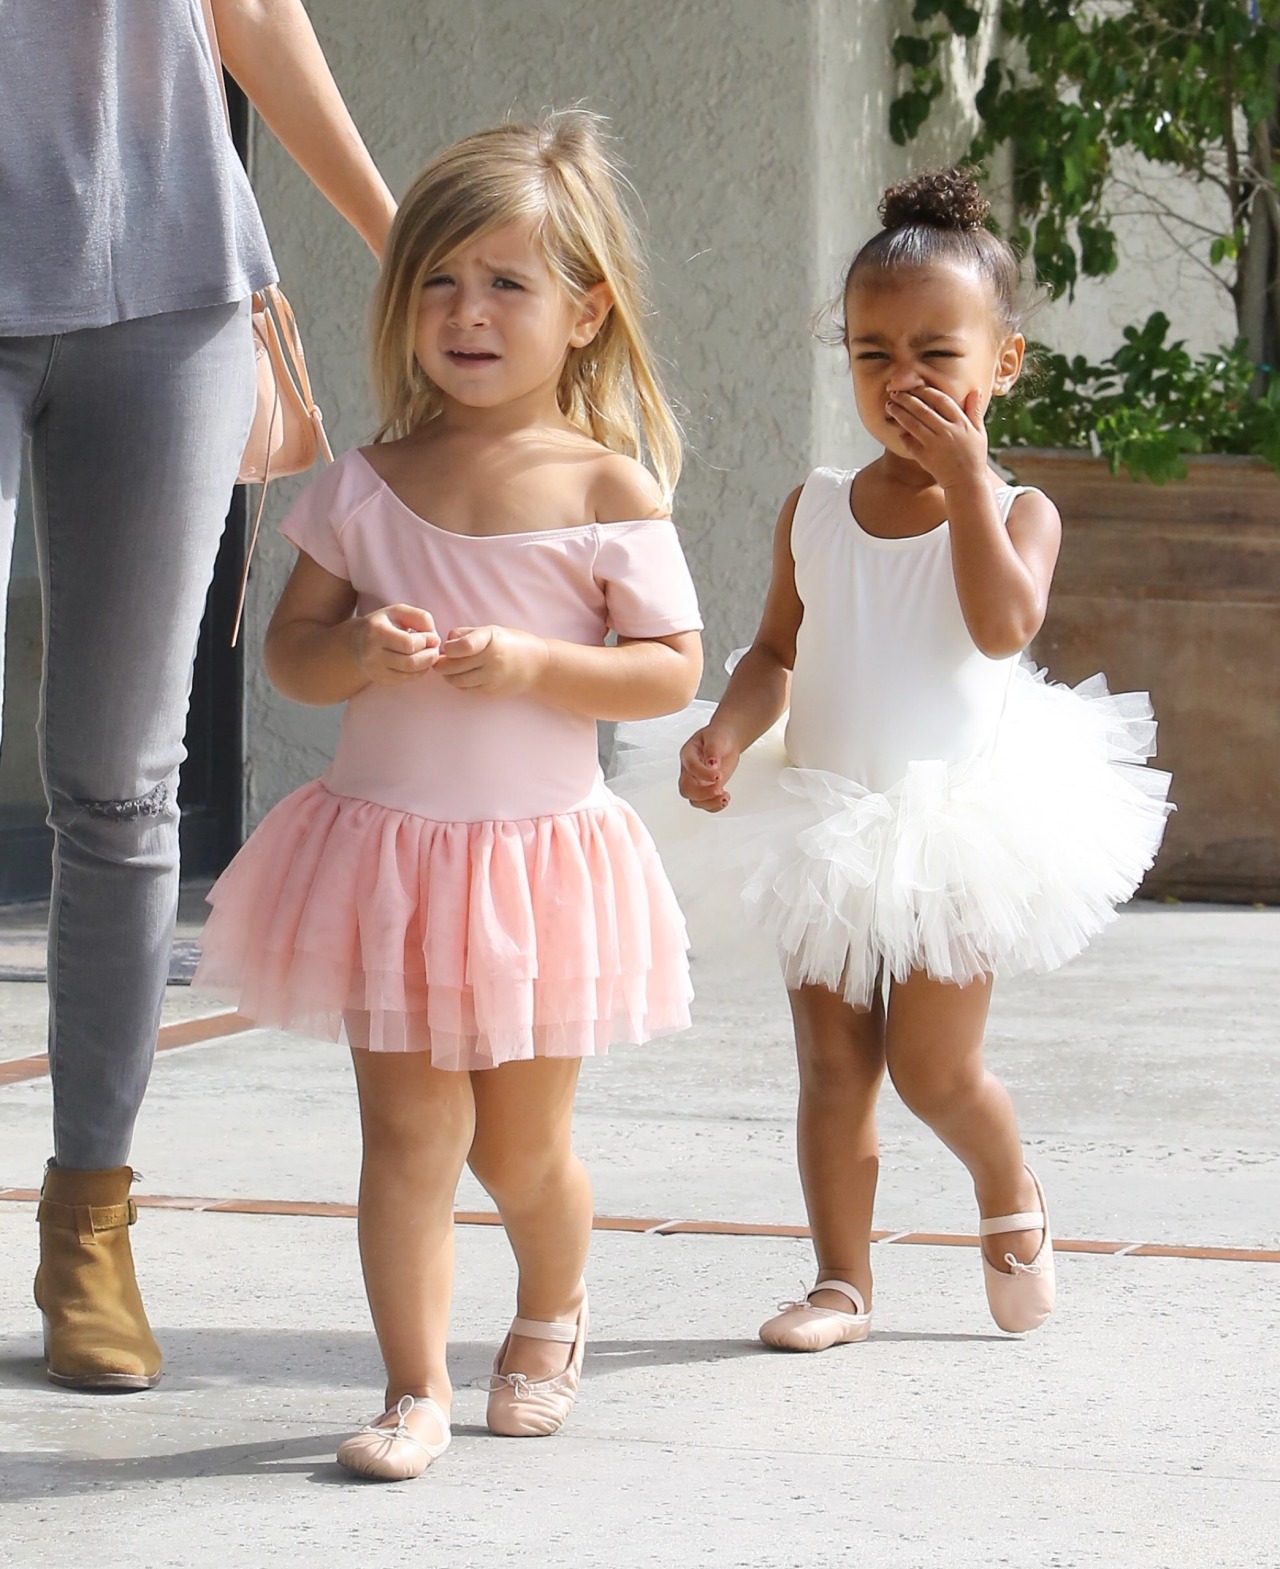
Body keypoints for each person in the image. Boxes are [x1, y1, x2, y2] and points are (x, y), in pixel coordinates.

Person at [194, 110, 704, 1480]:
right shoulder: (366, 486)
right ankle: (413, 1385)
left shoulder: (607, 487)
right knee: (410, 1131)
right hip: (392, 864)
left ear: (586, 312)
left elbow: (668, 672)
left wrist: (542, 660)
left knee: (521, 1149)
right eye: (437, 279)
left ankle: (551, 1307)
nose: (465, 311)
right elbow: (290, 658)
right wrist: (356, 648)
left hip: (535, 871)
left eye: (505, 282)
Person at [651, 168, 1171, 1350]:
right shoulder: (816, 506)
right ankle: (840, 1283)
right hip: (820, 821)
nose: (902, 381)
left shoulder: (1018, 506)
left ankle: (1010, 1196)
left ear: (1002, 364)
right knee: (832, 1071)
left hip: (954, 830)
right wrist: (727, 733)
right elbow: (776, 649)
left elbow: (1000, 626)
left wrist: (967, 483)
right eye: (870, 353)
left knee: (934, 1068)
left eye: (935, 354)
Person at [0, 1, 397, 1392]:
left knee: (122, 783)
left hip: (170, 285)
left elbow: (249, 13)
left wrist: (393, 231)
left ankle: (87, 1224)